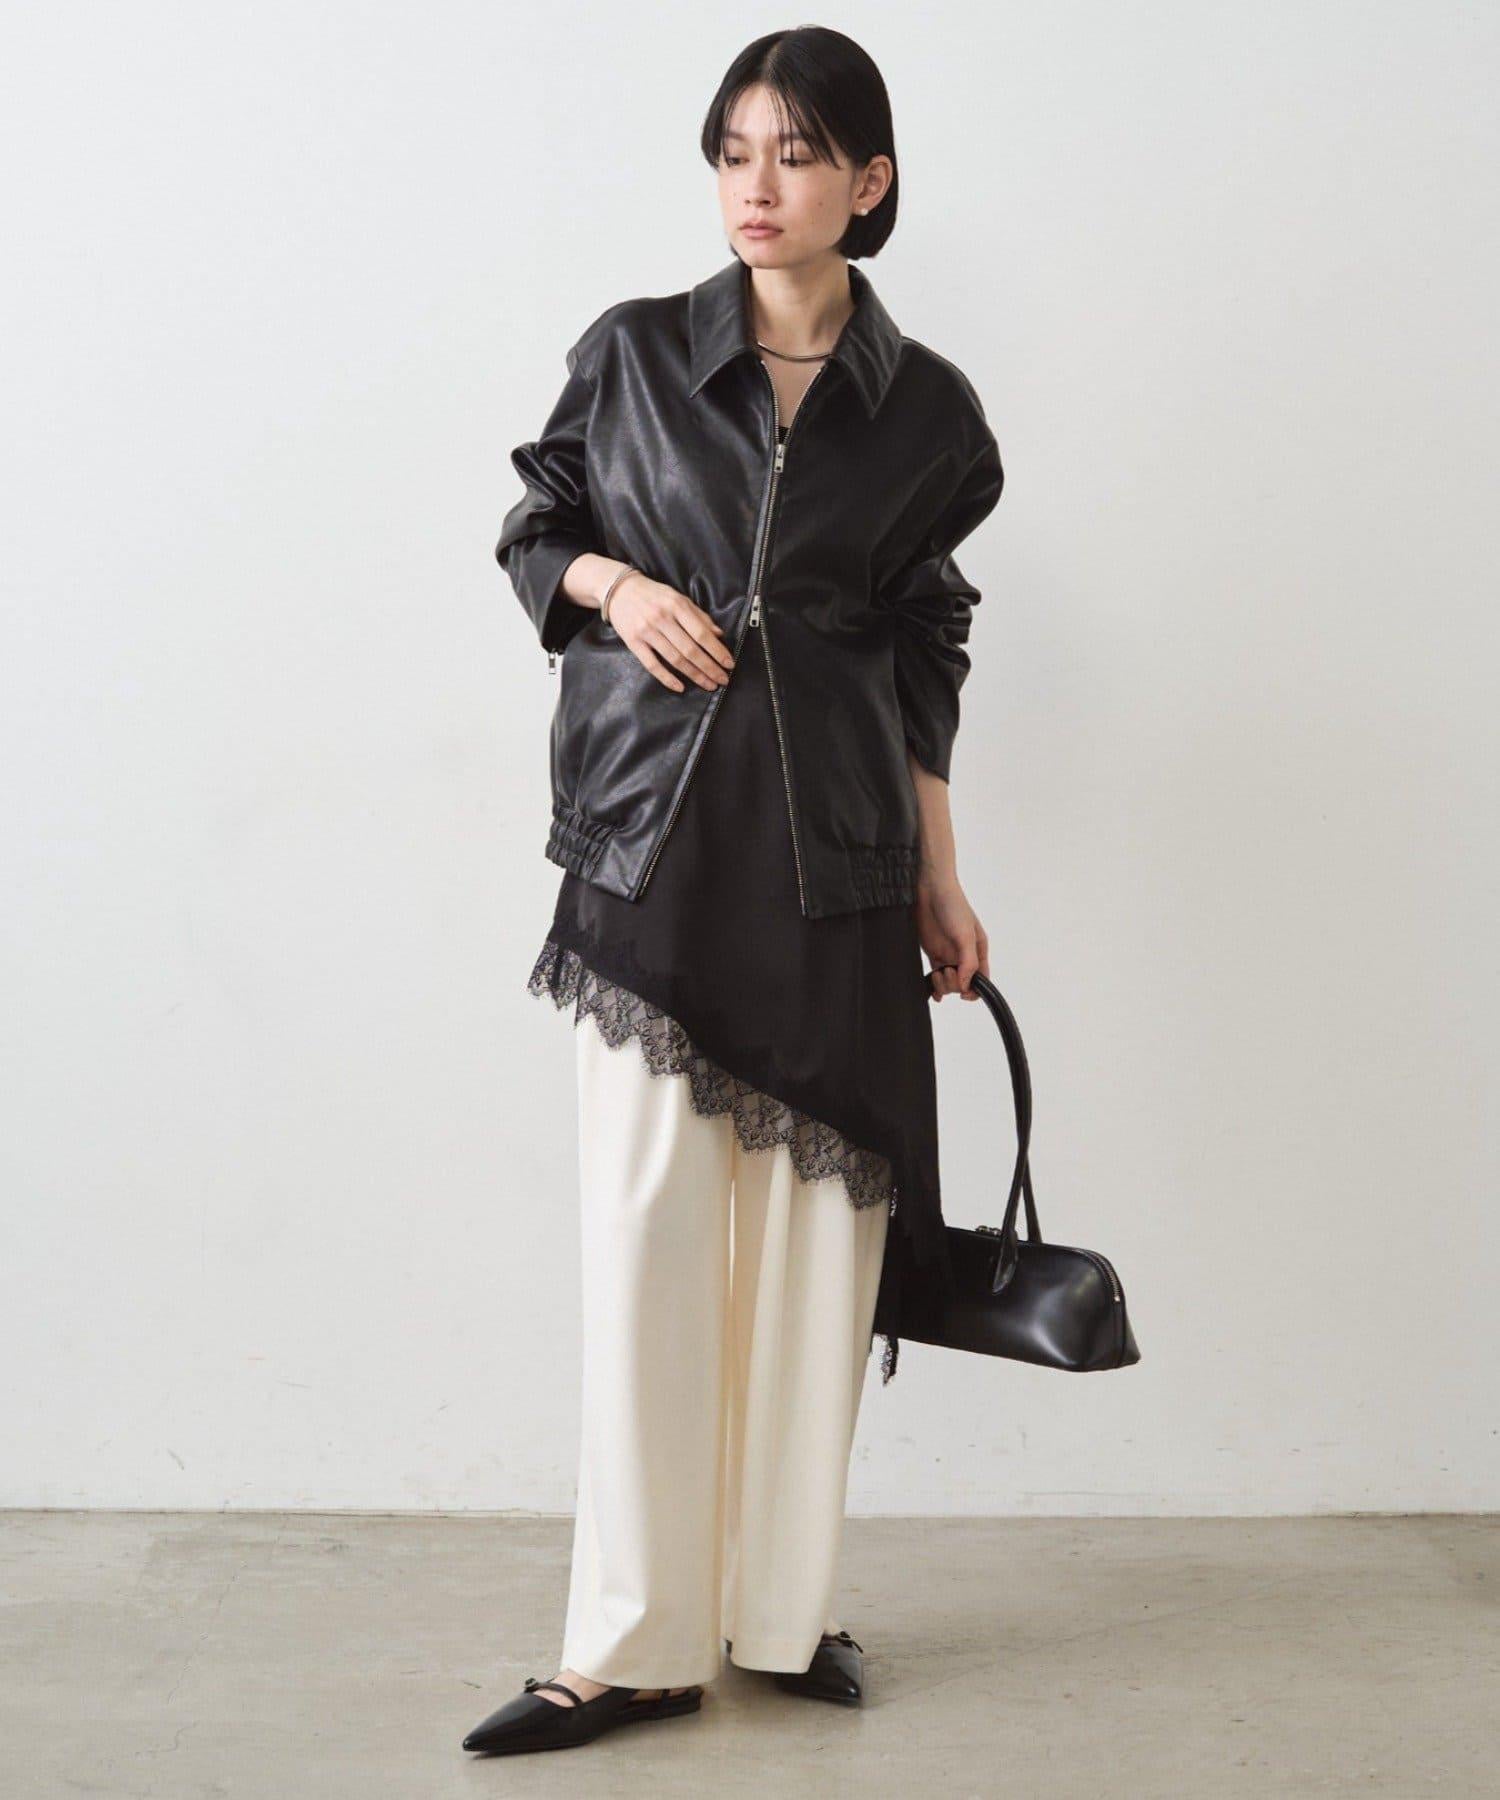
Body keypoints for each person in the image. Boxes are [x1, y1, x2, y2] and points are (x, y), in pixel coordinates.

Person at [463, 25, 1005, 1759]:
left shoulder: (929, 413)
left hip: (836, 861)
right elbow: (536, 527)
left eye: (797, 153)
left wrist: (940, 874)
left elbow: (925, 643)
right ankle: (627, 1644)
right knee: (648, 1246)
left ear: (870, 180)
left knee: (814, 1261)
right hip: (653, 850)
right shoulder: (635, 354)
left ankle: (780, 1613)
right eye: (734, 152)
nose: (757, 187)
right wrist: (615, 587)